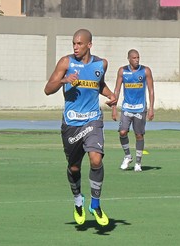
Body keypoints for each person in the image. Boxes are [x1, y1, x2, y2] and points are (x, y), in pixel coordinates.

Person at [44, 29, 116, 226]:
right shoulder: (66, 63)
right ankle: (78, 201)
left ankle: (95, 203)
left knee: (96, 159)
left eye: (79, 44)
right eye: (73, 44)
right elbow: (48, 89)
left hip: (92, 119)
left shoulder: (101, 64)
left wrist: (111, 95)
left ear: (89, 45)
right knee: (74, 167)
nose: (75, 47)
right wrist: (63, 81)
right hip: (71, 122)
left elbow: (98, 84)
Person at [112, 49, 155, 172]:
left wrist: (151, 108)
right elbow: (117, 90)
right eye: (134, 58)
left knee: (139, 135)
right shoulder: (122, 71)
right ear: (129, 59)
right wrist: (114, 108)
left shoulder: (145, 70)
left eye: (138, 58)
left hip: (140, 108)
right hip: (126, 108)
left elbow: (151, 90)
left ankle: (138, 162)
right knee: (122, 132)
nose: (137, 60)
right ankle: (127, 156)